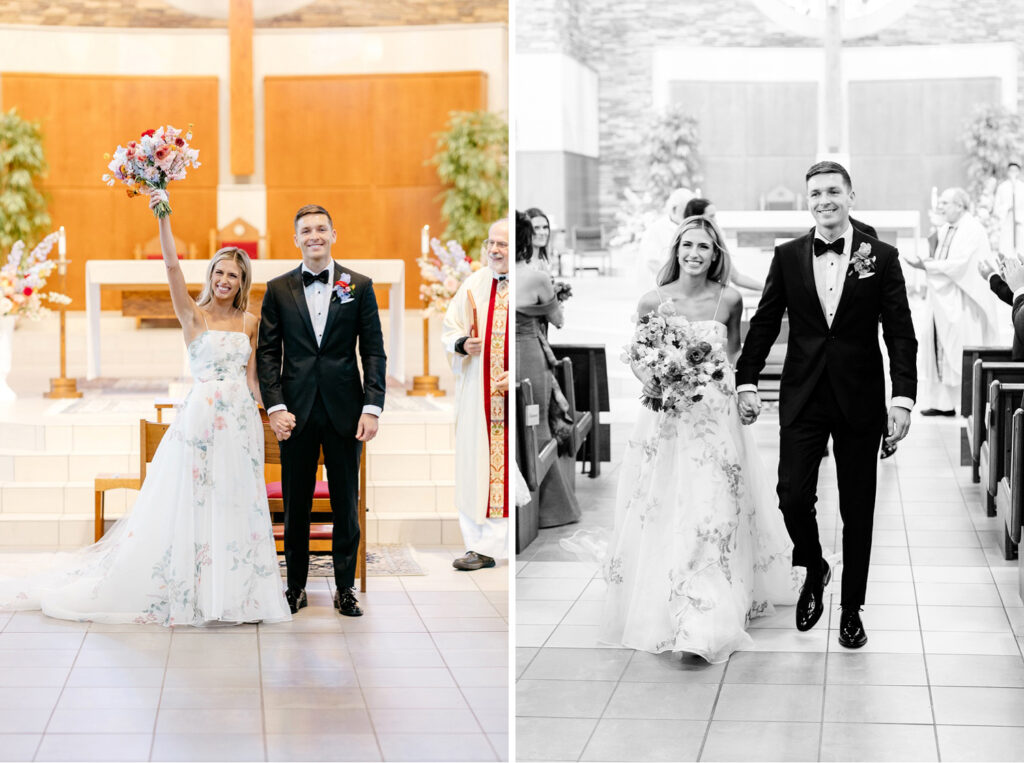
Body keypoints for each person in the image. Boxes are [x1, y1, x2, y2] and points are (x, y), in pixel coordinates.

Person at [0, 190, 292, 626]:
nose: (225, 280)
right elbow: (172, 268)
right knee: (196, 502)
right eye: (219, 272)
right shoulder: (193, 315)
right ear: (210, 275)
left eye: (233, 274)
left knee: (234, 503)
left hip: (239, 424)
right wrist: (163, 215)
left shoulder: (250, 323)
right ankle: (193, 594)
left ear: (243, 280)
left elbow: (253, 379)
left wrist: (272, 412)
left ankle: (234, 596)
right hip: (200, 421)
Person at [592, 215, 796, 662]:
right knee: (667, 501)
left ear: (716, 253)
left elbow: (736, 355)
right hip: (668, 419)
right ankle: (668, 600)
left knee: (716, 503)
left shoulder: (729, 299)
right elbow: (641, 357)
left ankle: (710, 609)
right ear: (676, 249)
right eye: (688, 246)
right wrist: (660, 380)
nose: (695, 254)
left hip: (715, 418)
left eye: (704, 247)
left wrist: (738, 393)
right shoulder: (653, 300)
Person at [737, 161, 917, 650]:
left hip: (860, 398)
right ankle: (814, 564)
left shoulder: (883, 256)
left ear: (851, 195)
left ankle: (852, 608)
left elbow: (900, 333)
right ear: (808, 200)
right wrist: (746, 379)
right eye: (815, 193)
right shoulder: (789, 255)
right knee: (791, 494)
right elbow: (765, 321)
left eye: (833, 191)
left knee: (858, 507)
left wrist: (901, 398)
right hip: (803, 393)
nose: (824, 200)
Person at [257, 204, 387, 617]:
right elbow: (266, 353)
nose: (314, 236)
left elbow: (374, 351)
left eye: (321, 229)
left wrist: (372, 407)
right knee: (296, 502)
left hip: (346, 412)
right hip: (294, 413)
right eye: (306, 231)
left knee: (346, 502)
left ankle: (345, 588)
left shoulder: (359, 286)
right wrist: (275, 406)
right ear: (295, 239)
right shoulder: (278, 289)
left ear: (334, 234)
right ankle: (294, 587)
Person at [441, 219, 511, 570]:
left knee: (505, 469)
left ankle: (499, 543)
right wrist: (461, 343)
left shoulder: (523, 287)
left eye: (503, 244)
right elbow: (450, 326)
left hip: (512, 399)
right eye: (491, 243)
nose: (494, 250)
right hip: (477, 394)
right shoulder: (474, 283)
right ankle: (476, 545)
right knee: (473, 464)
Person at [905, 187, 1000, 415]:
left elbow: (961, 265)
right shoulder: (946, 228)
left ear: (960, 205)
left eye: (946, 203)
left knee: (958, 350)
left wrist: (927, 266)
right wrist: (930, 259)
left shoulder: (972, 229)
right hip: (942, 300)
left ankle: (968, 404)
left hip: (963, 302)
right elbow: (945, 259)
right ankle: (943, 404)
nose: (941, 207)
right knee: (940, 349)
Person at [516, 213, 581, 528]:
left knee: (515, 430)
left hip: (506, 355)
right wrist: (556, 298)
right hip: (529, 354)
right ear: (527, 240)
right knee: (537, 424)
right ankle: (548, 510)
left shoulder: (493, 278)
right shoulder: (535, 277)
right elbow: (558, 320)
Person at [684, 198, 765, 291]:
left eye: (704, 247)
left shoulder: (716, 243)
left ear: (714, 254)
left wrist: (766, 288)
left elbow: (735, 276)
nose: (715, 220)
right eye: (711, 216)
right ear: (697, 219)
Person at [638, 187, 694, 283]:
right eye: (687, 210)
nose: (690, 214)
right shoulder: (656, 229)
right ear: (674, 209)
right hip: (666, 284)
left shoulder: (693, 227)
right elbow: (652, 262)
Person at [995, 161, 1024, 258]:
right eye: (1011, 170)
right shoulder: (1002, 187)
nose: (1013, 173)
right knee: (1006, 249)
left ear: (1019, 172)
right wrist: (1007, 208)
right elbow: (997, 207)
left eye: (1015, 170)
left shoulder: (1022, 187)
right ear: (1007, 172)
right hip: (1007, 222)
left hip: (1020, 222)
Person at [525, 207, 555, 275]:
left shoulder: (545, 262)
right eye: (536, 228)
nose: (542, 232)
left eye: (545, 227)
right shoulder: (521, 265)